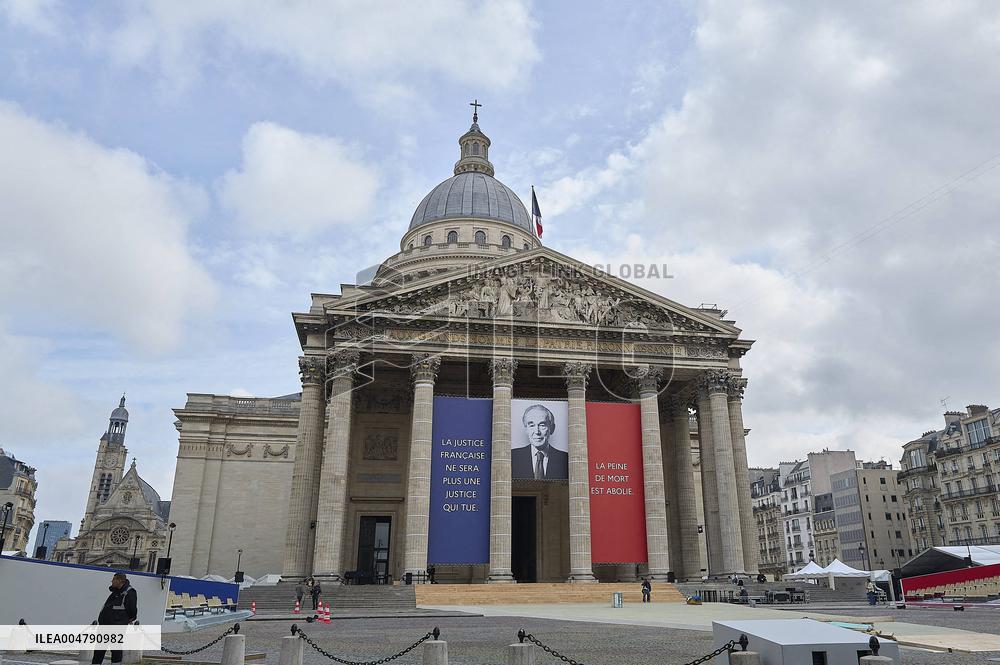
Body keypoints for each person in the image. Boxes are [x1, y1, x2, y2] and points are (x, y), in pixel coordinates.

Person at [511, 404, 568, 480]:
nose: (537, 431)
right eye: (531, 425)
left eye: (542, 425)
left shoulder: (565, 459)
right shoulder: (512, 457)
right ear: (526, 429)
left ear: (552, 429)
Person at [92, 573, 137, 665]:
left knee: (115, 647)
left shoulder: (129, 592)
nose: (112, 581)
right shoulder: (115, 592)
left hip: (117, 624)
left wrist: (130, 618)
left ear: (120, 581)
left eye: (113, 579)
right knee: (100, 648)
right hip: (105, 624)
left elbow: (132, 609)